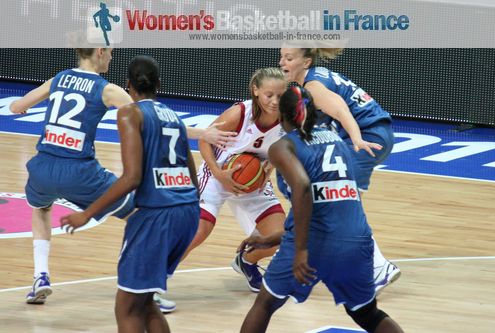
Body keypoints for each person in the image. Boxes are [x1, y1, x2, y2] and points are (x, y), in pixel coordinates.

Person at [9, 48, 234, 306]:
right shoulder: (107, 89)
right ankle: (147, 289)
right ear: (100, 51)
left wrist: (24, 109)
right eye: (111, 53)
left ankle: (40, 276)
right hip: (80, 173)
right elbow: (154, 118)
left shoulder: (59, 78)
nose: (112, 58)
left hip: (42, 168)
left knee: (41, 209)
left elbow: (16, 106)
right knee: (141, 216)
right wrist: (203, 134)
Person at [239, 86, 404, 333]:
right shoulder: (339, 142)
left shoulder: (283, 147)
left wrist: (301, 250)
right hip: (357, 240)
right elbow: (326, 209)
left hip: (314, 244)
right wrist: (270, 239)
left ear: (281, 116)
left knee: (265, 304)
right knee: (366, 312)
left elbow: (304, 188)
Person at [61, 55, 199, 333]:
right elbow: (192, 171)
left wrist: (87, 213)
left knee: (126, 306)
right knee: (145, 301)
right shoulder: (174, 117)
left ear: (127, 85)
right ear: (158, 84)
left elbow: (132, 177)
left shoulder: (130, 113)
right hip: (188, 211)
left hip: (157, 216)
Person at [279, 47, 400, 294]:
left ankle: (377, 267)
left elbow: (341, 110)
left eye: (289, 58)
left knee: (334, 204)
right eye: (281, 56)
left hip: (368, 136)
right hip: (371, 134)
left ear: (306, 62)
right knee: (336, 203)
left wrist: (357, 139)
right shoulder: (306, 81)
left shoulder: (313, 86)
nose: (282, 62)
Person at [180, 67, 287, 293]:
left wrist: (272, 165)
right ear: (256, 91)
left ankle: (246, 261)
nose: (276, 101)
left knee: (283, 237)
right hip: (218, 176)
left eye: (280, 95)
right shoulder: (239, 114)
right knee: (198, 232)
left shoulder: (288, 117)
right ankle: (154, 282)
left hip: (254, 181)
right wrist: (219, 174)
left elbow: (289, 144)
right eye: (270, 95)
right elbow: (204, 141)